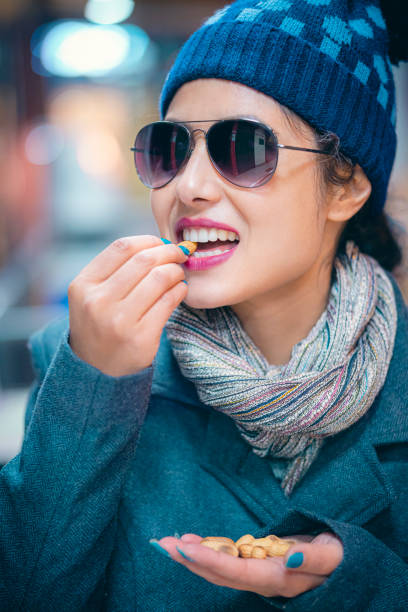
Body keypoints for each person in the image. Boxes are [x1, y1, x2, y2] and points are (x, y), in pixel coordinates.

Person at [1, 0, 408, 610]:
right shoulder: (88, 361)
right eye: (168, 149)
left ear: (345, 185)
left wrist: (367, 586)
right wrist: (95, 387)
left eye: (242, 148)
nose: (188, 186)